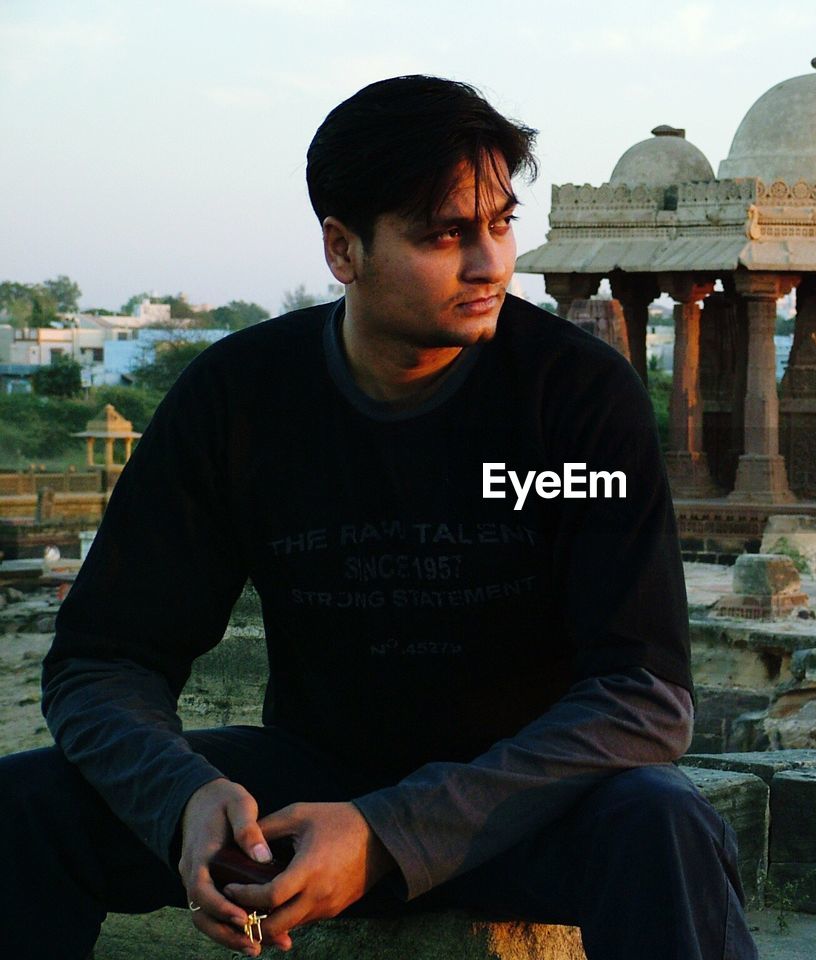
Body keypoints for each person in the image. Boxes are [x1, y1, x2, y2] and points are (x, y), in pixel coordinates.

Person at [0, 76, 758, 959]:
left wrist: (391, 832)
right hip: (304, 792)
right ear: (342, 248)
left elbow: (644, 697)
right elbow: (103, 659)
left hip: (517, 799)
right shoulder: (241, 400)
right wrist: (180, 796)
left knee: (666, 821)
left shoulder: (574, 399)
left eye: (501, 224)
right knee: (25, 808)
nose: (490, 265)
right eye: (445, 235)